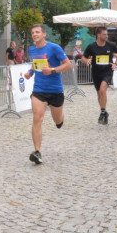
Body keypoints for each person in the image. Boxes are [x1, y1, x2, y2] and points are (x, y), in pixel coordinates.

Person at [25, 23, 73, 164]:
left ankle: (60, 119)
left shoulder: (54, 48)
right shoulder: (32, 49)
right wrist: (30, 72)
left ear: (44, 34)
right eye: (33, 32)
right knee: (37, 118)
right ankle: (37, 152)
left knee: (57, 120)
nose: (35, 34)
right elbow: (35, 63)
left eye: (37, 32)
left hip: (55, 90)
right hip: (39, 90)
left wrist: (52, 70)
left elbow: (68, 64)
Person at [83, 27, 117, 125]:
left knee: (103, 90)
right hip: (96, 72)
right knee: (99, 94)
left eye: (106, 34)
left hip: (107, 71)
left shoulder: (110, 45)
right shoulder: (92, 46)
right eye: (104, 34)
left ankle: (102, 112)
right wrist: (87, 60)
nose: (106, 36)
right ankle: (104, 112)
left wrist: (116, 63)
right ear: (98, 35)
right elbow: (83, 57)